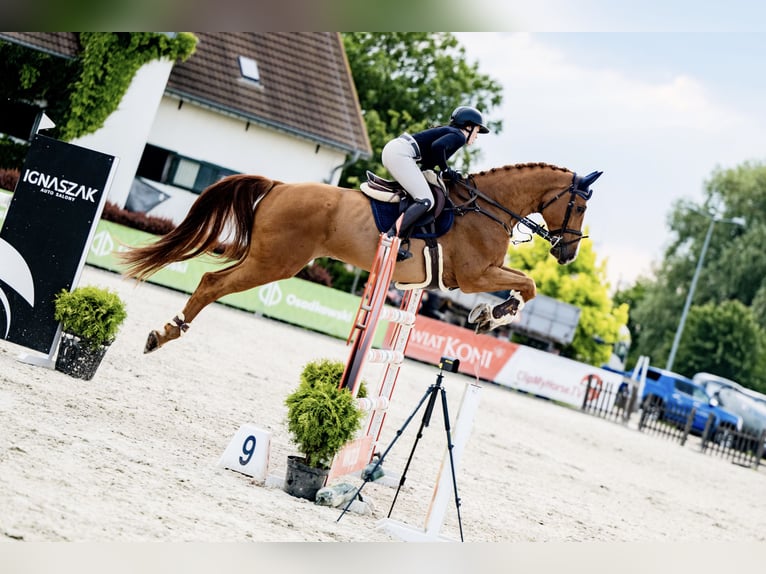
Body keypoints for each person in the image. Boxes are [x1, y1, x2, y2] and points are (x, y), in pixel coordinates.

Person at [381, 105, 490, 261]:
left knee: (423, 194)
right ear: (468, 126)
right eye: (477, 131)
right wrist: (446, 169)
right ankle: (391, 237)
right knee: (426, 200)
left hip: (397, 151)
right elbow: (438, 147)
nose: (477, 136)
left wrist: (443, 171)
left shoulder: (451, 133)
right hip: (400, 154)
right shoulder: (458, 136)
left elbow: (429, 163)